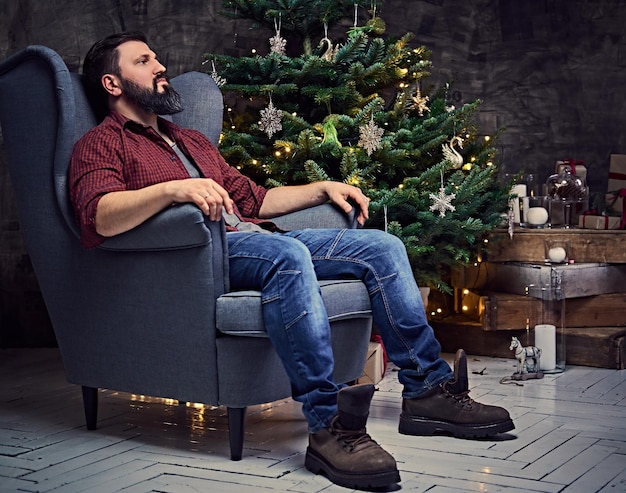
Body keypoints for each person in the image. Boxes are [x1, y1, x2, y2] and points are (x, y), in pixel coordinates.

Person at [69, 32, 515, 490]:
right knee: (287, 254)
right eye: (144, 61)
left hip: (254, 236)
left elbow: (254, 199)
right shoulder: (102, 144)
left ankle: (427, 392)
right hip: (205, 255)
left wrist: (323, 188)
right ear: (113, 83)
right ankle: (328, 428)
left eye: (157, 57)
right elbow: (97, 216)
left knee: (383, 247)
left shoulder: (190, 141)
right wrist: (173, 190)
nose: (160, 66)